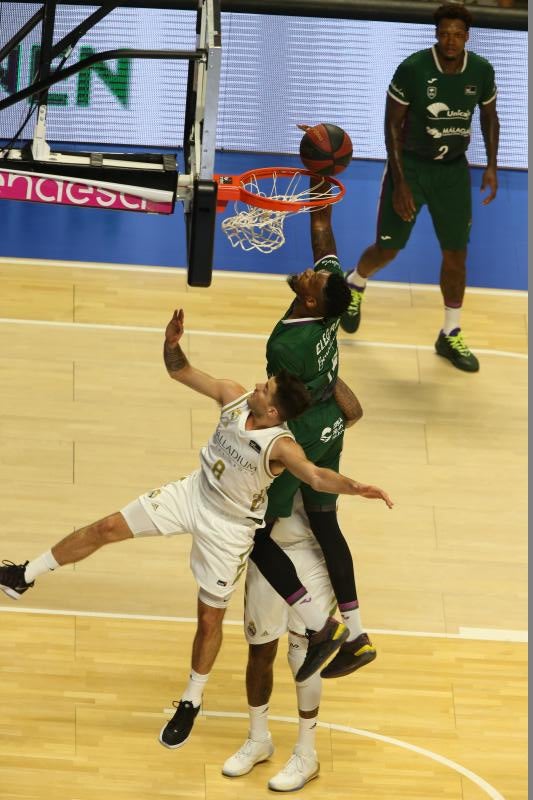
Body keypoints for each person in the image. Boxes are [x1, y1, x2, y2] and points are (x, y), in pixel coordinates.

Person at [0, 307, 393, 750]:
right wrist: (172, 343)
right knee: (107, 527)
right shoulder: (234, 395)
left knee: (209, 619)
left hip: (229, 529)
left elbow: (318, 478)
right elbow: (180, 371)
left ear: (274, 409)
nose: (259, 384)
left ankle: (191, 700)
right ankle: (24, 576)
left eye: (267, 387)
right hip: (192, 494)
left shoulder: (281, 444)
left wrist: (357, 486)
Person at [249, 174, 379, 681]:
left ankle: (319, 626)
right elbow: (323, 237)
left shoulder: (286, 346)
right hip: (332, 427)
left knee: (258, 530)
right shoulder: (331, 305)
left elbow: (282, 405)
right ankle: (360, 632)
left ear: (309, 303)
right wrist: (322, 183)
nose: (308, 272)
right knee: (327, 525)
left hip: (303, 432)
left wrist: (251, 431)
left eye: (311, 279)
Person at [340, 3, 499, 373]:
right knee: (388, 250)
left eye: (458, 34)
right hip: (410, 167)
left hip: (453, 173)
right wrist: (400, 182)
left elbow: (490, 117)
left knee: (456, 255)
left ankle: (450, 331)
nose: (450, 40)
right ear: (436, 34)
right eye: (444, 33)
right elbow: (391, 126)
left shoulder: (481, 70)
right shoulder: (413, 69)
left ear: (467, 37)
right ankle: (355, 282)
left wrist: (491, 166)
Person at [222, 493, 335, 792]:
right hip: (267, 552)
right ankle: (258, 740)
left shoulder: (320, 446)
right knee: (260, 649)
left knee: (304, 652)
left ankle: (306, 754)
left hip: (311, 553)